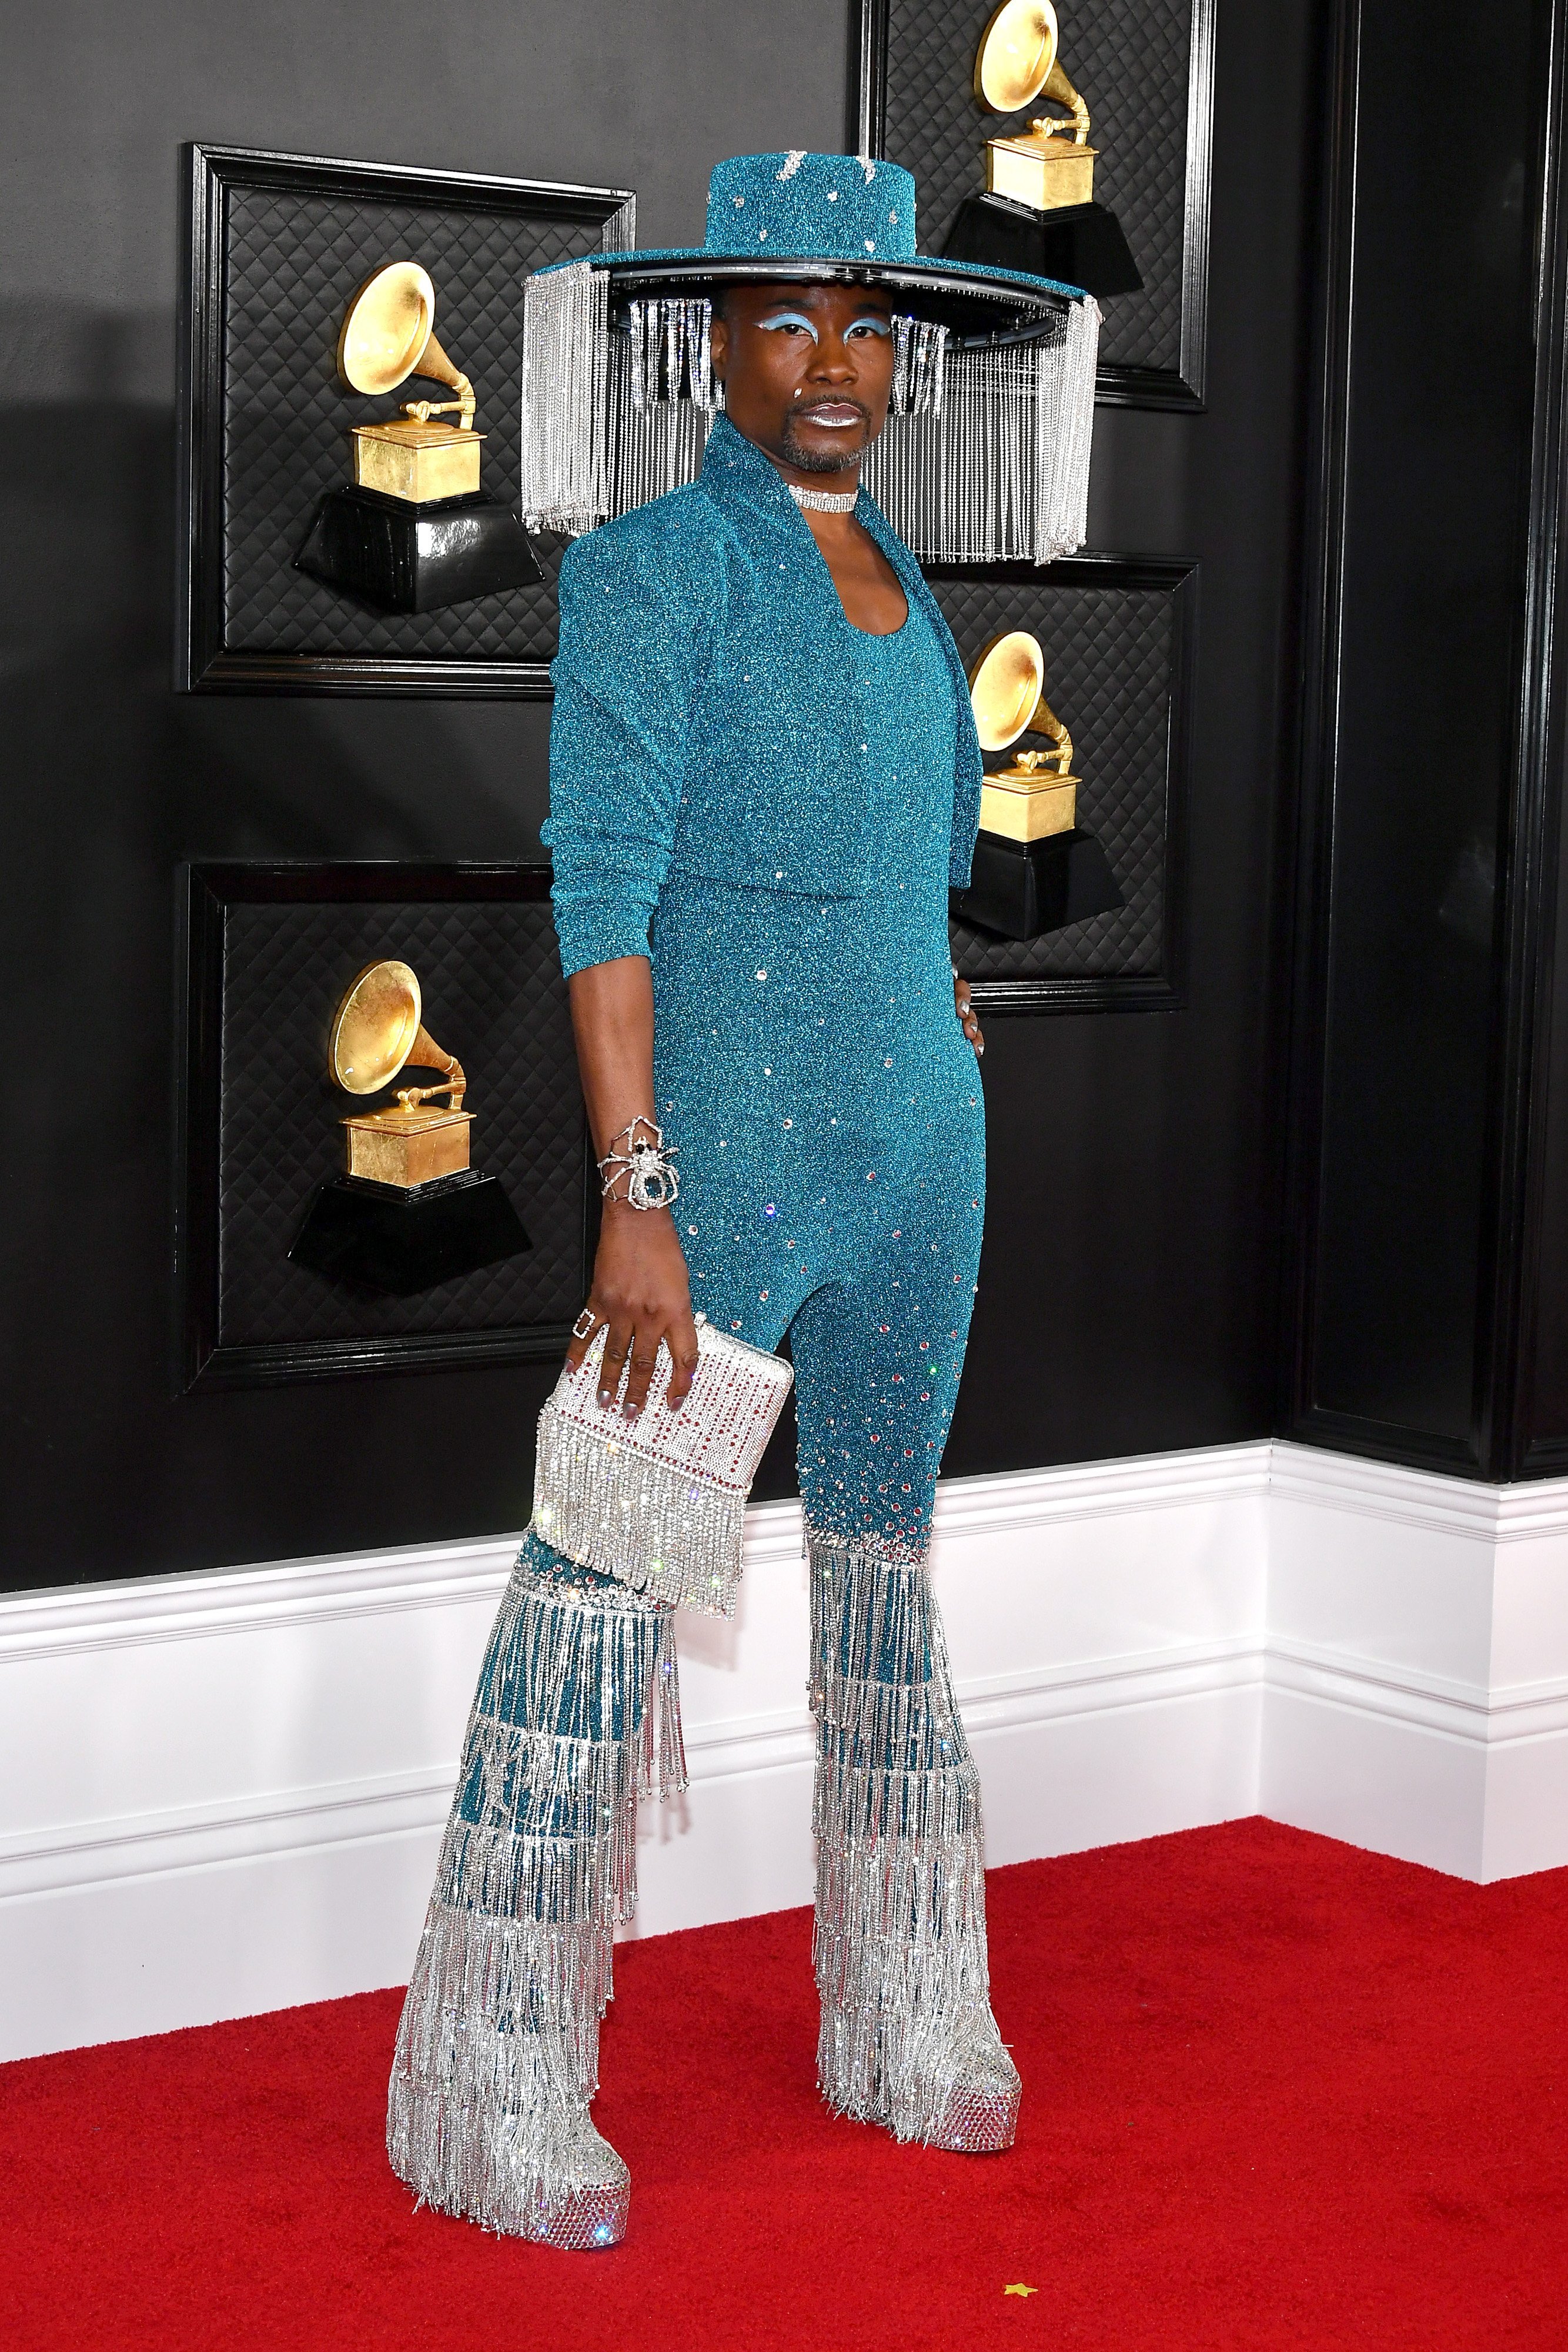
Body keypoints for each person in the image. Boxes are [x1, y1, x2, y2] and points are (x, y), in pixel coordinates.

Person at [386, 152, 1099, 2249]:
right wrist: (635, 1192)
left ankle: (905, 2011)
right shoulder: (649, 569)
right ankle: (492, 2081)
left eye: (868, 327)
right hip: (714, 1166)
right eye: (788, 322)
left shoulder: (906, 571)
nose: (836, 365)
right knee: (601, 1586)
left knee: (886, 1575)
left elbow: (911, 857)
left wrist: (934, 996)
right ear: (704, 342)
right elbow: (598, 902)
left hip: (918, 1163)